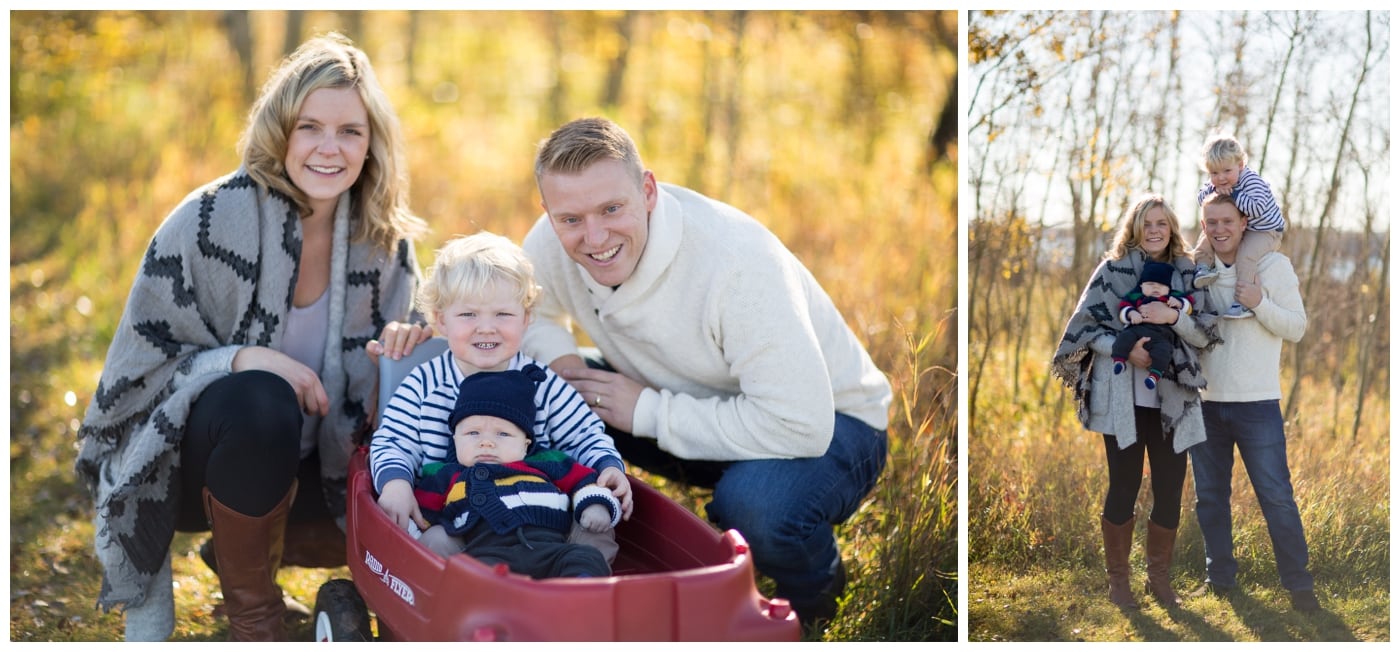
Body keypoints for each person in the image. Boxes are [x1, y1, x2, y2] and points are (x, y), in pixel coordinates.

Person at [74, 34, 434, 641]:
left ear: (372, 143)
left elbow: (412, 372)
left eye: (350, 131)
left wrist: (408, 345)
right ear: (279, 131)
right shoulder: (209, 221)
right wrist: (243, 359)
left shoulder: (385, 244)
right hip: (185, 471)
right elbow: (133, 383)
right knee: (261, 396)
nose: (329, 148)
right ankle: (257, 621)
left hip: (313, 476)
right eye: (309, 127)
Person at [519, 117, 892, 629]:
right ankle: (568, 549)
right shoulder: (552, 236)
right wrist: (567, 371)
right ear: (548, 212)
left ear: (647, 190)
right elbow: (530, 312)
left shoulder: (736, 265)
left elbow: (802, 423)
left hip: (831, 427)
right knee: (540, 394)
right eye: (571, 220)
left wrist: (648, 411)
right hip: (676, 400)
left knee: (756, 503)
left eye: (612, 208)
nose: (595, 236)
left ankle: (816, 604)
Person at [369, 231, 632, 558]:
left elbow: (583, 433)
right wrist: (396, 483)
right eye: (468, 315)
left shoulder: (541, 383)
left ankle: (579, 588)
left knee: (595, 532)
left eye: (502, 314)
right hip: (458, 521)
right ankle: (461, 596)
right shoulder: (425, 383)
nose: (486, 327)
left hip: (542, 519)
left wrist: (608, 465)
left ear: (526, 318)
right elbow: (395, 440)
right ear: (441, 320)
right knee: (434, 544)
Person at [1052, 194, 1219, 609]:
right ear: (1135, 228)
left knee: (1169, 490)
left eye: (1162, 223)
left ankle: (1159, 581)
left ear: (1172, 228)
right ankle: (1119, 582)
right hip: (1122, 397)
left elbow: (1206, 335)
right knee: (1123, 486)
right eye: (1148, 223)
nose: (1155, 230)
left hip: (1172, 399)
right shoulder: (1111, 271)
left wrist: (1174, 318)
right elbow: (1086, 330)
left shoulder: (1187, 274)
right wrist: (1125, 350)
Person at [1188, 193, 1319, 612]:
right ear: (1203, 225)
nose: (1220, 229)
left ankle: (1300, 588)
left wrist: (1258, 302)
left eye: (1227, 220)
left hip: (1257, 403)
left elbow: (1297, 328)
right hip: (1206, 401)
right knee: (1209, 498)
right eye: (1212, 222)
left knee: (1276, 496)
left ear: (1245, 222)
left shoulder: (1272, 266)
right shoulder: (1198, 268)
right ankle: (1220, 580)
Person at [411, 366, 621, 579]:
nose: (486, 442)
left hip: (553, 549)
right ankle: (494, 600)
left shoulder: (546, 462)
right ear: (455, 440)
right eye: (473, 433)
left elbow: (584, 480)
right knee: (459, 561)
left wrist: (595, 505)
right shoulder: (447, 476)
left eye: (503, 434)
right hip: (487, 554)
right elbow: (420, 516)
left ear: (525, 444)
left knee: (586, 555)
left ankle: (580, 592)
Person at [1192, 133, 1287, 318]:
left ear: (1240, 165)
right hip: (1246, 226)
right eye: (1214, 173)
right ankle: (1203, 268)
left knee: (1246, 255)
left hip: (1266, 230)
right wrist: (1215, 191)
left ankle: (1243, 302)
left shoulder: (1251, 181)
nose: (1220, 178)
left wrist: (1234, 195)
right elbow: (1201, 199)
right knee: (1207, 235)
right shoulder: (1217, 184)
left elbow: (1257, 208)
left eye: (1227, 171)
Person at [1111, 261, 1196, 390]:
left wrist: (1179, 303)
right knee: (1124, 337)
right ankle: (1119, 360)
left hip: (1161, 336)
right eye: (1150, 284)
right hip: (1137, 331)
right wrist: (1132, 313)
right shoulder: (1136, 296)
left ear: (1168, 288)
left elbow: (1190, 305)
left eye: (1161, 285)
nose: (1156, 288)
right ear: (1142, 286)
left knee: (1164, 351)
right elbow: (1123, 307)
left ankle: (1154, 375)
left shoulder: (1172, 297)